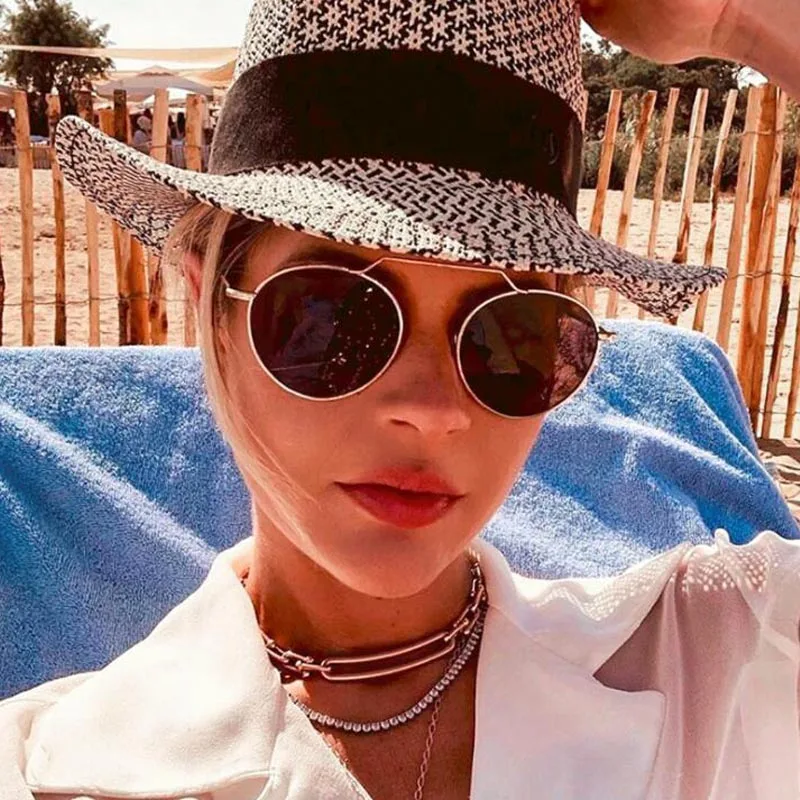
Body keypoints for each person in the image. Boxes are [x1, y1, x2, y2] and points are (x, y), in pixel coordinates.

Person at [2, 0, 799, 798]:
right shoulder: (48, 764)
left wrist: (740, 23)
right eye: (336, 318)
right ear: (210, 302)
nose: (434, 410)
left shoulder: (711, 654)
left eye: (512, 336)